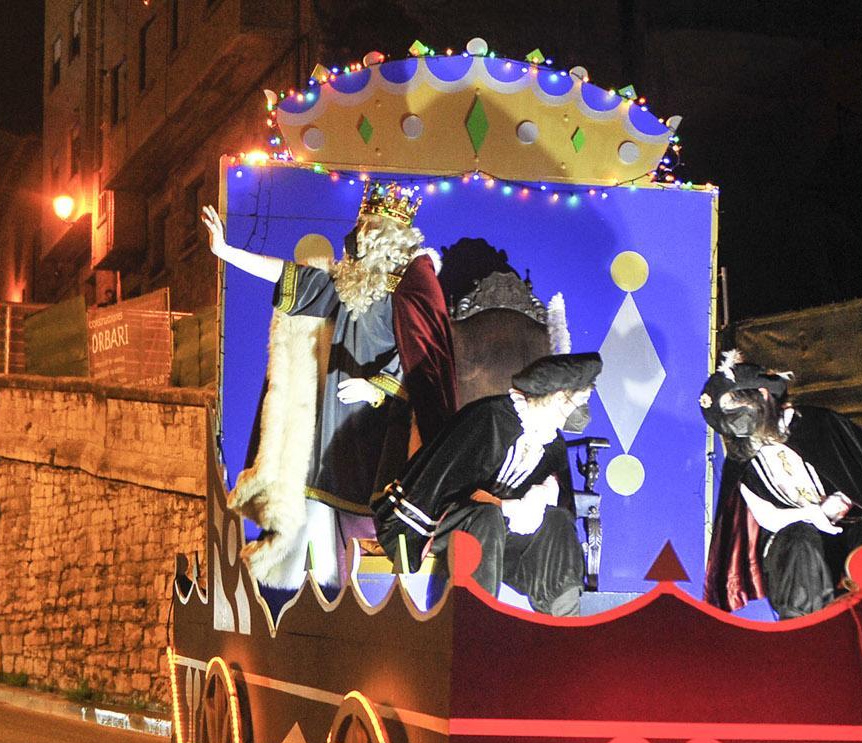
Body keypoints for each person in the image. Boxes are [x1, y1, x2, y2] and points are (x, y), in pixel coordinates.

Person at [201, 182, 457, 590]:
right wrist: (227, 252)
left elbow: (423, 361)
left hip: (383, 433)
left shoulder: (412, 285)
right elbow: (289, 275)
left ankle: (386, 600)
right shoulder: (346, 282)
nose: (363, 233)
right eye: (362, 225)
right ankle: (323, 603)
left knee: (375, 524)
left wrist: (376, 387)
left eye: (373, 226)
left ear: (395, 236)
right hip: (335, 431)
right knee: (324, 533)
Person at [700, 353, 862, 618]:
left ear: (764, 395)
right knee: (799, 540)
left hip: (853, 533)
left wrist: (847, 500)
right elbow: (766, 517)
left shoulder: (818, 426)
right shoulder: (742, 459)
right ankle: (804, 637)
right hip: (797, 547)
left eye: (737, 405)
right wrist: (815, 514)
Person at [374, 351, 601, 617]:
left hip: (497, 535)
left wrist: (543, 497)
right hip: (441, 522)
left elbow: (555, 503)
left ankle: (565, 623)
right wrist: (506, 506)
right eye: (581, 400)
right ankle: (476, 619)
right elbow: (444, 488)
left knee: (558, 522)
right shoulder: (487, 418)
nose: (584, 410)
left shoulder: (553, 443)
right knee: (488, 517)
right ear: (559, 397)